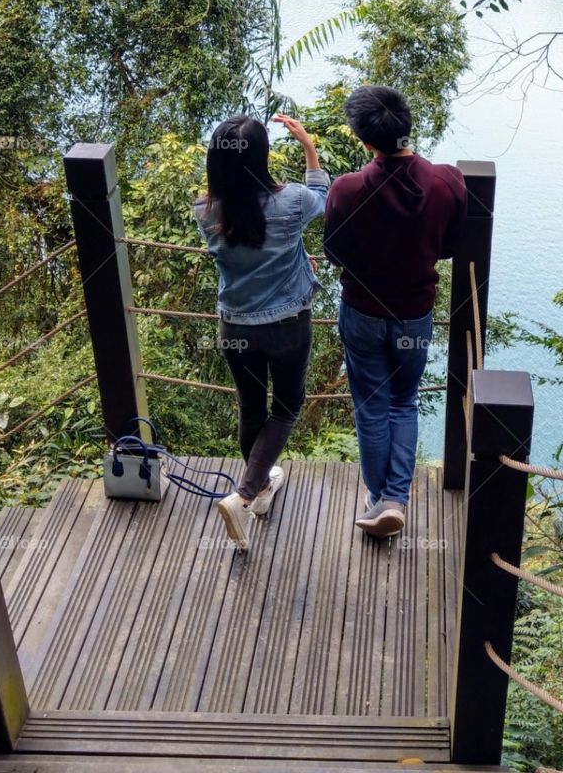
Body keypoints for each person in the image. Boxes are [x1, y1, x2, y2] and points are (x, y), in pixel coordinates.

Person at [324, 86, 467, 538]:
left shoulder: (346, 189)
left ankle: (377, 498)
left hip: (363, 312)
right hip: (414, 314)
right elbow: (451, 245)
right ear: (407, 125)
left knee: (371, 407)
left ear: (364, 140)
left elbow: (333, 251)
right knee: (404, 401)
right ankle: (395, 500)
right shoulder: (448, 182)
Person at [194, 113, 329, 551]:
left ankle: (260, 489)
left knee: (251, 409)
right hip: (286, 325)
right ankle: (246, 493)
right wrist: (308, 145)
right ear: (262, 156)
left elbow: (251, 241)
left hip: (235, 326)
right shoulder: (291, 201)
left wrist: (295, 255)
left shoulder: (205, 210)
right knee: (287, 407)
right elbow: (322, 197)